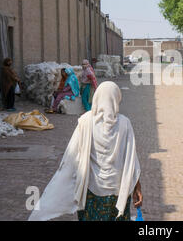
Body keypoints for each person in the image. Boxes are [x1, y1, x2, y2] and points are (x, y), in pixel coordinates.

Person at [28, 81, 143, 221]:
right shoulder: (125, 123)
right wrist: (137, 188)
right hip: (118, 190)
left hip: (91, 189)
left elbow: (72, 156)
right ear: (116, 98)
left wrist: (65, 180)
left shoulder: (86, 121)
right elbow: (131, 159)